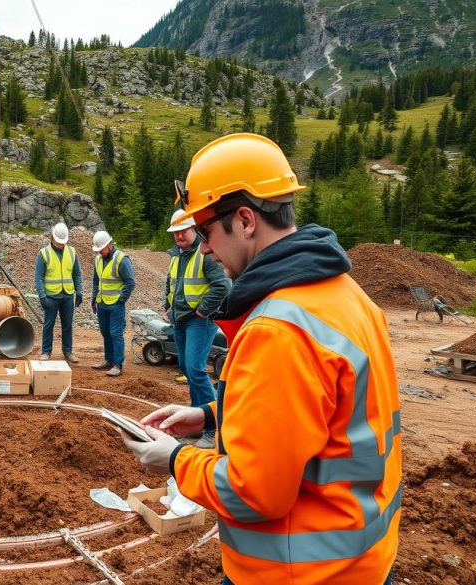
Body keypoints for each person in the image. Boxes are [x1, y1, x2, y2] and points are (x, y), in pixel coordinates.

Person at [120, 134, 401, 584]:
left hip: (301, 571)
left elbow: (254, 493)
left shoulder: (278, 330)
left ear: (246, 220)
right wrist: (209, 415)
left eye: (207, 231)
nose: (204, 247)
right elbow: (315, 414)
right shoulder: (346, 297)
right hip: (358, 557)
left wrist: (175, 459)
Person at [163, 208, 230, 445]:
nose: (179, 236)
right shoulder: (177, 256)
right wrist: (167, 305)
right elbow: (171, 283)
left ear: (194, 229)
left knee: (196, 369)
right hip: (180, 319)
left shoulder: (205, 254)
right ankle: (196, 421)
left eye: (183, 231)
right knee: (186, 367)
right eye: (176, 233)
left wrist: (203, 310)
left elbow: (223, 286)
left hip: (199, 321)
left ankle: (214, 428)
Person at [34, 222, 83, 363]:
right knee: (48, 324)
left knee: (68, 324)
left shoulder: (72, 252)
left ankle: (67, 351)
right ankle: (46, 351)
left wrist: (79, 291)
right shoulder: (44, 253)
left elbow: (77, 274)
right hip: (51, 297)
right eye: (59, 241)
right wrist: (42, 296)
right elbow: (38, 278)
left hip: (68, 295)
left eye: (63, 242)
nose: (61, 244)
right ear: (52, 237)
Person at [90, 230, 135, 377]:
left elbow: (130, 282)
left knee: (115, 333)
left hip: (115, 305)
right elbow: (96, 281)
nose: (100, 252)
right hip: (102, 302)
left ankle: (117, 364)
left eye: (101, 249)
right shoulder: (98, 259)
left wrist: (121, 300)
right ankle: (108, 360)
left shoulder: (121, 259)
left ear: (110, 244)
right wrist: (94, 297)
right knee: (105, 332)